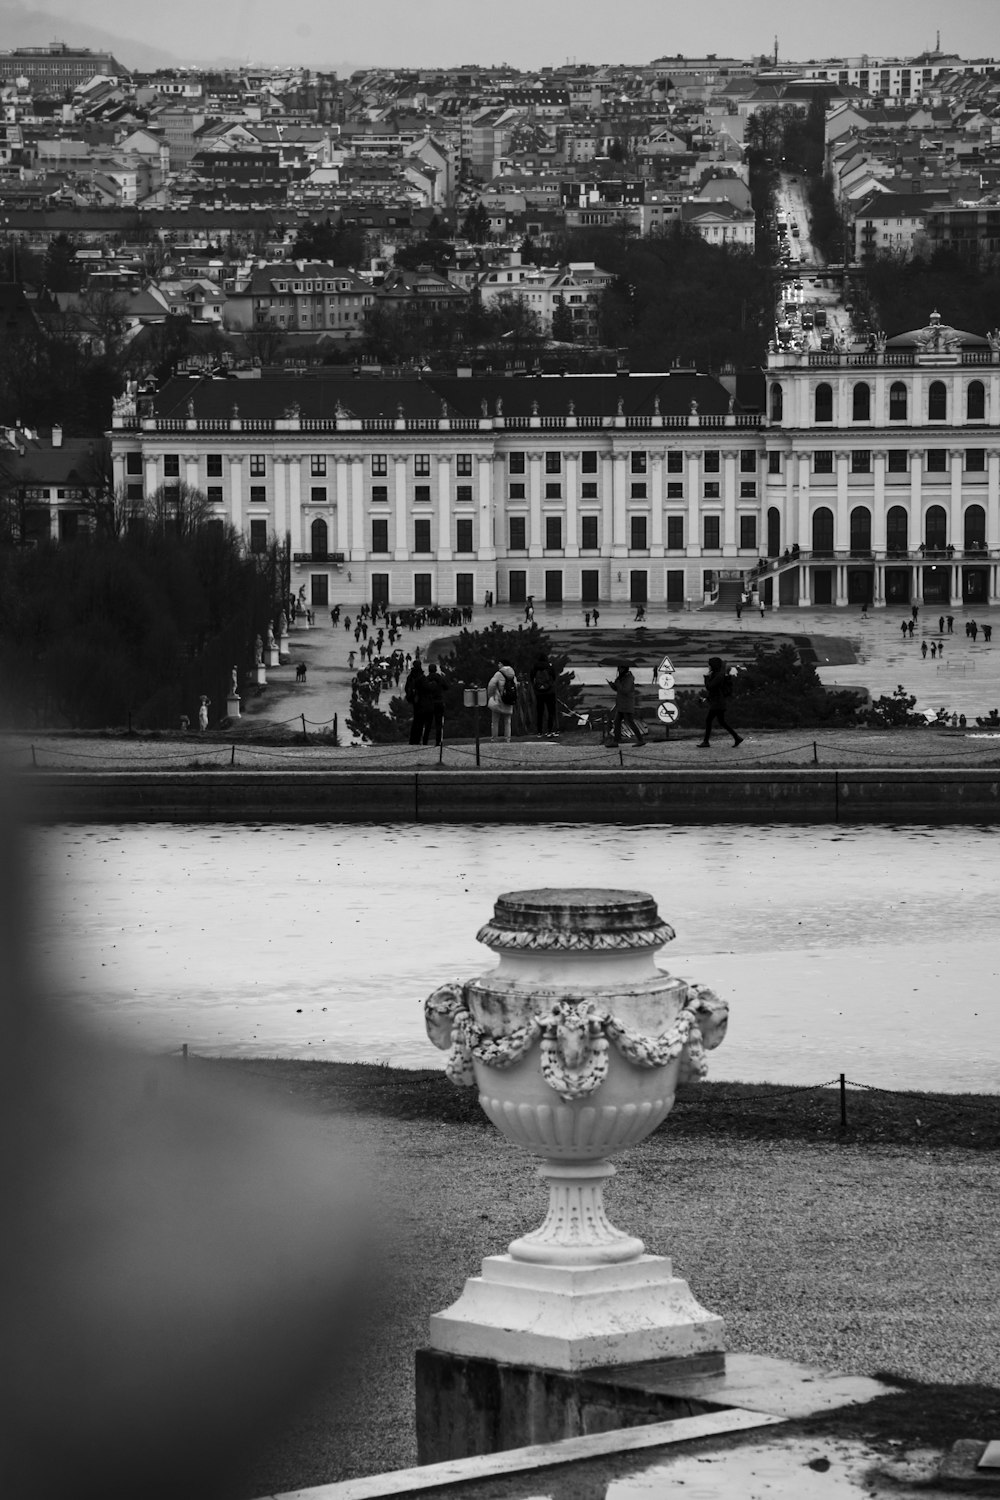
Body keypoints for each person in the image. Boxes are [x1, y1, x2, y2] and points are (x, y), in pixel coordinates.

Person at [697, 656, 743, 750]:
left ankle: (706, 742)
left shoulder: (718, 676)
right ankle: (736, 737)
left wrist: (706, 677)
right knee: (722, 722)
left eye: (709, 665)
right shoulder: (717, 674)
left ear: (713, 666)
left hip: (717, 703)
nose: (709, 667)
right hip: (719, 702)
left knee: (709, 720)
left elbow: (710, 687)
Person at [607, 663, 646, 747]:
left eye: (621, 668)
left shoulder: (628, 678)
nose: (619, 669)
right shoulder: (622, 677)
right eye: (619, 668)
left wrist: (618, 684)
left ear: (625, 668)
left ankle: (640, 739)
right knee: (617, 722)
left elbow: (625, 690)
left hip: (627, 704)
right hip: (621, 704)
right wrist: (613, 686)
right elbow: (619, 690)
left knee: (630, 722)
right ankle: (616, 741)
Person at [487, 659, 517, 740]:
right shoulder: (513, 675)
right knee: (507, 721)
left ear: (502, 664)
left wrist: (490, 695)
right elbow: (515, 686)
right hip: (509, 699)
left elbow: (491, 685)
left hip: (499, 699)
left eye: (499, 663)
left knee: (495, 720)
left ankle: (494, 737)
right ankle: (507, 738)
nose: (498, 665)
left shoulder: (498, 674)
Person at [418, 663, 446, 747]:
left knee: (428, 724)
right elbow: (446, 686)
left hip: (429, 702)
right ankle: (438, 741)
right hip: (439, 701)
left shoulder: (426, 678)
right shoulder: (440, 678)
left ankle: (425, 741)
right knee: (439, 724)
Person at [531, 654, 558, 737]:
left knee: (540, 712)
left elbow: (531, 678)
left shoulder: (535, 667)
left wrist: (537, 687)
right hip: (550, 692)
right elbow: (554, 677)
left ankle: (539, 731)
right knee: (551, 711)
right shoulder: (549, 667)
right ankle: (550, 730)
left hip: (539, 693)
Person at [404, 660, 425, 745]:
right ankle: (417, 739)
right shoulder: (420, 676)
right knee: (419, 721)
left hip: (414, 699)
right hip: (420, 700)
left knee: (416, 720)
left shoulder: (411, 676)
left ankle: (413, 740)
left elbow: (406, 688)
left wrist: (410, 697)